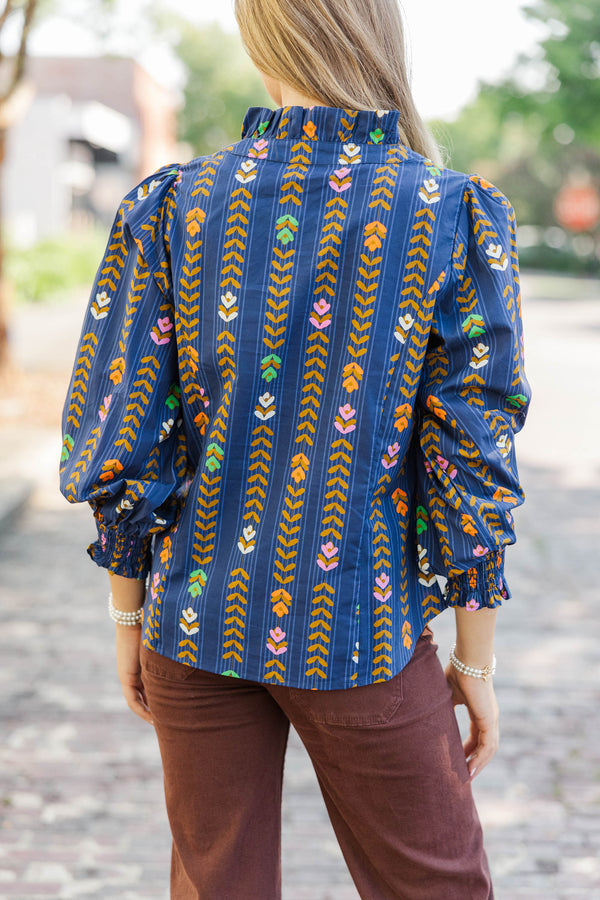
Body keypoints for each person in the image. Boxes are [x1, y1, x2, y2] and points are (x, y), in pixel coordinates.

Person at [59, 0, 530, 896]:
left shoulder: (171, 205)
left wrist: (128, 617)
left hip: (192, 622)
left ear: (258, 34)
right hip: (359, 627)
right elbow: (471, 458)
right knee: (436, 886)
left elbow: (123, 435)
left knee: (216, 884)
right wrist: (475, 660)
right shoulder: (450, 211)